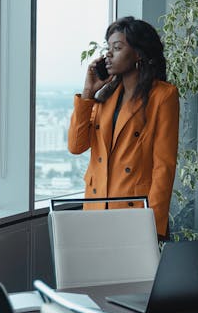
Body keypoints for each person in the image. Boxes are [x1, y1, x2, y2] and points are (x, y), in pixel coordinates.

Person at [68, 16, 179, 238]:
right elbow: (76, 146)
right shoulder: (105, 96)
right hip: (96, 208)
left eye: (117, 48)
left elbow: (163, 167)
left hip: (134, 214)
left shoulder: (162, 96)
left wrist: (152, 225)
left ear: (138, 53)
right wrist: (88, 92)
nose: (109, 53)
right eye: (108, 47)